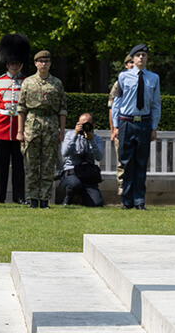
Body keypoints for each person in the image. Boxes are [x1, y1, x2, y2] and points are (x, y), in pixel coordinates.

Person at [111, 43, 161, 210]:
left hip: (144, 123)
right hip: (126, 122)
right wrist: (116, 126)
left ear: (147, 59)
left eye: (144, 55)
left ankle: (139, 200)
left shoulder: (153, 78)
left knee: (141, 162)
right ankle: (126, 200)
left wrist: (154, 127)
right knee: (126, 162)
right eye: (138, 55)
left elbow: (155, 104)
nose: (141, 58)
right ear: (132, 58)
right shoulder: (124, 77)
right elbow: (117, 103)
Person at [17, 50, 67, 208]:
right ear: (35, 63)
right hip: (32, 123)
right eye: (40, 61)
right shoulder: (28, 82)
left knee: (48, 164)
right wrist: (20, 131)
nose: (43, 64)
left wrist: (62, 130)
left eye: (46, 61)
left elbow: (62, 109)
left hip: (51, 123)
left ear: (50, 63)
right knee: (31, 163)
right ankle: (32, 199)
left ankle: (45, 199)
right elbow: (21, 108)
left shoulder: (57, 83)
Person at [0, 33, 30, 204]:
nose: (14, 65)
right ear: (6, 62)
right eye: (11, 62)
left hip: (20, 129)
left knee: (19, 166)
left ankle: (19, 197)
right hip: (1, 128)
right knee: (1, 166)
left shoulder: (27, 82)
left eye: (17, 62)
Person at [60, 113, 105, 207]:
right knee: (74, 184)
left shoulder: (97, 139)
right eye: (81, 124)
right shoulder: (70, 134)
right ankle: (67, 199)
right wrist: (75, 135)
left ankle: (84, 198)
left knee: (97, 203)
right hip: (71, 173)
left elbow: (99, 157)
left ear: (93, 125)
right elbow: (64, 153)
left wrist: (92, 140)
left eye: (87, 124)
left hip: (87, 175)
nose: (84, 126)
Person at [107, 53, 134, 197]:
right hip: (122, 127)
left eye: (133, 62)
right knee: (122, 162)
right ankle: (123, 191)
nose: (132, 65)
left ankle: (135, 193)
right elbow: (112, 108)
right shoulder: (119, 83)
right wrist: (113, 129)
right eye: (130, 63)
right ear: (126, 65)